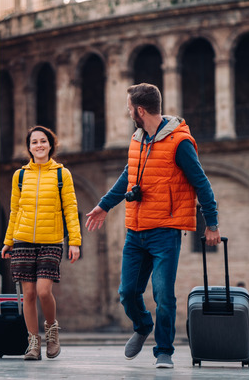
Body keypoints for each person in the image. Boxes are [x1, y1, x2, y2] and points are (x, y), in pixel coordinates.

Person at [85, 83, 219, 369]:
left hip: (165, 232)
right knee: (127, 293)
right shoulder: (138, 139)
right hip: (135, 231)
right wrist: (104, 205)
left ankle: (164, 351)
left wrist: (212, 223)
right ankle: (143, 325)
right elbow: (127, 177)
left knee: (163, 294)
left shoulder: (180, 142)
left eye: (129, 108)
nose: (128, 112)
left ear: (140, 110)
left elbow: (202, 183)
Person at [1, 125, 82, 361]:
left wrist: (74, 241)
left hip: (51, 241)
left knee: (43, 291)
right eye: (34, 142)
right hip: (23, 240)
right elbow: (15, 210)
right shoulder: (20, 176)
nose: (39, 145)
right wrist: (8, 241)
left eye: (43, 141)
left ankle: (51, 331)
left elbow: (71, 209)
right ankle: (33, 343)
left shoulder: (61, 174)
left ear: (50, 144)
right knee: (28, 294)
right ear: (29, 147)